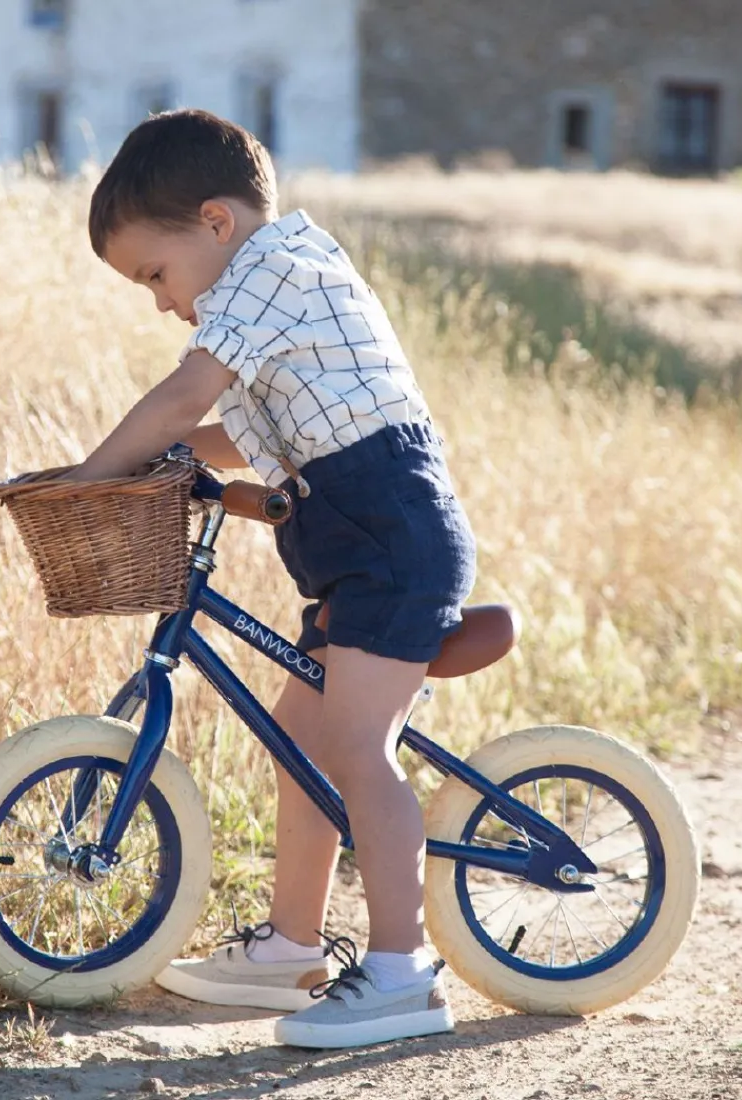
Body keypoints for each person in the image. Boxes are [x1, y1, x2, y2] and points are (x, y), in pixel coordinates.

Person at [69, 108, 477, 1049]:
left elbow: (184, 398)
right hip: (357, 547)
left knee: (358, 746)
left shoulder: (277, 271)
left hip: (394, 539)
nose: (161, 304)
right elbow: (231, 432)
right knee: (302, 740)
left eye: (155, 275)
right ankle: (292, 950)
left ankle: (404, 974)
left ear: (217, 222)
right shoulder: (264, 294)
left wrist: (91, 478)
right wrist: (164, 464)